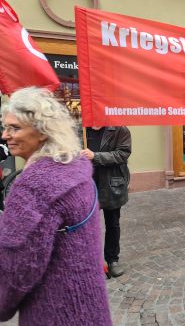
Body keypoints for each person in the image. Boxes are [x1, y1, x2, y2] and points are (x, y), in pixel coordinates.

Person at [0, 87, 112, 325]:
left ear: (42, 132)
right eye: (5, 127)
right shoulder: (75, 167)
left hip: (55, 311)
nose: (5, 135)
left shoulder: (35, 186)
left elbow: (17, 270)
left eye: (14, 128)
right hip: (90, 305)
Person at [81, 125, 131, 277]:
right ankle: (92, 261)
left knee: (112, 224)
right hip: (88, 182)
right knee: (88, 226)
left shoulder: (120, 129)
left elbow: (122, 154)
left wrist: (95, 156)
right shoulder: (83, 129)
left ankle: (112, 260)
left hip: (111, 184)